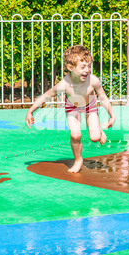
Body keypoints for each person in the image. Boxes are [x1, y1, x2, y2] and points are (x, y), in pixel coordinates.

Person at [25, 45, 116, 173]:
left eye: (89, 66)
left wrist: (112, 116)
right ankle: (78, 160)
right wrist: (30, 111)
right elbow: (46, 96)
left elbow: (103, 98)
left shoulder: (93, 81)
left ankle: (99, 132)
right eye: (83, 67)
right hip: (72, 107)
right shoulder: (64, 84)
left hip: (90, 105)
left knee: (95, 137)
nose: (87, 70)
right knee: (75, 135)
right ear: (70, 67)